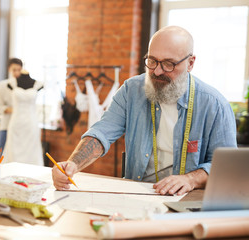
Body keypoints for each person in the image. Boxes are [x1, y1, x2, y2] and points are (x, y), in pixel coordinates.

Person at [52, 26, 237, 195]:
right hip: (137, 194)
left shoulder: (215, 105)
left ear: (190, 63)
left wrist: (190, 179)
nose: (157, 71)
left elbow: (227, 167)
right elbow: (102, 132)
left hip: (185, 198)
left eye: (168, 64)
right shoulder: (131, 90)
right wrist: (72, 164)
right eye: (152, 61)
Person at [2, 71, 44, 165]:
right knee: (13, 150)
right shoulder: (11, 83)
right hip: (16, 122)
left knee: (32, 151)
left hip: (31, 123)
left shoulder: (38, 84)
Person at [0, 58, 23, 151]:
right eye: (14, 70)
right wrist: (14, 110)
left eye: (19, 70)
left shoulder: (24, 87)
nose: (17, 73)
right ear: (9, 69)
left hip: (20, 127)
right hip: (6, 125)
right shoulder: (2, 85)